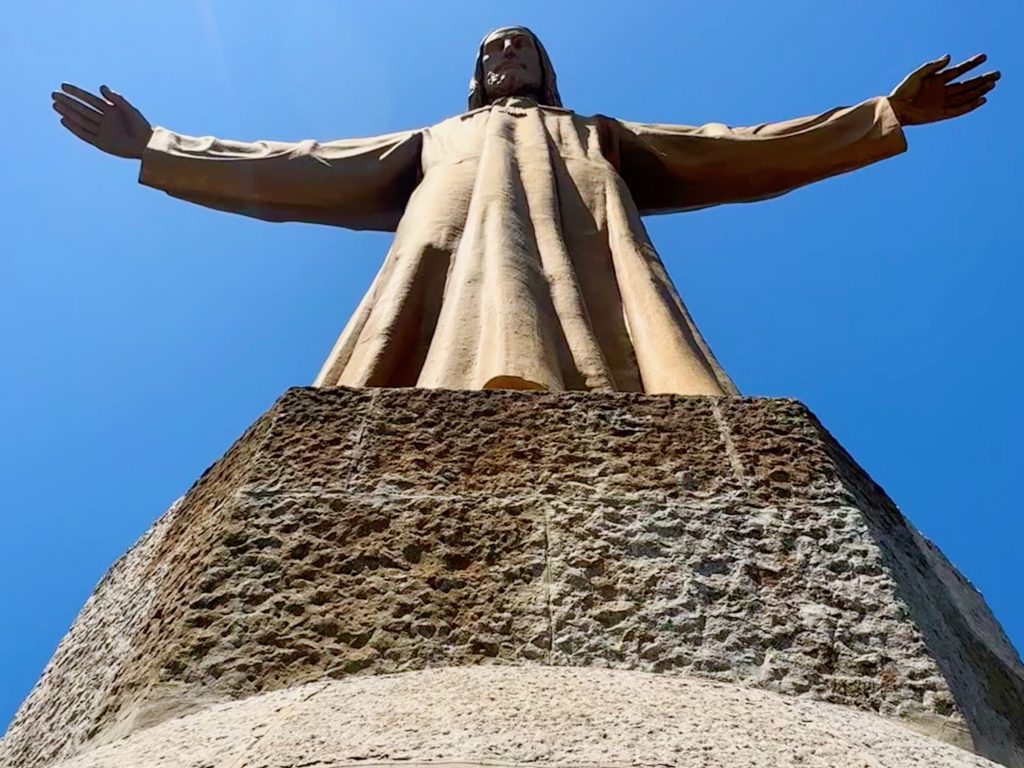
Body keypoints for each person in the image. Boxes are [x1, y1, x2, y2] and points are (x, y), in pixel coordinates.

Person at [51, 27, 999, 395]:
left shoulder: (595, 133)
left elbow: (733, 147)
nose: (505, 55)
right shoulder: (436, 139)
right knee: (429, 328)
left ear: (547, 69)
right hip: (450, 249)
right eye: (492, 50)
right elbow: (300, 163)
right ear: (475, 75)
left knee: (606, 328)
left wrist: (882, 114)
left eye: (522, 47)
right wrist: (160, 146)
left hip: (587, 252)